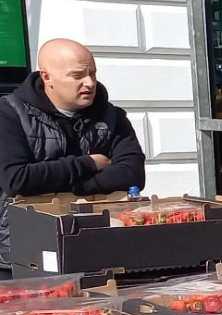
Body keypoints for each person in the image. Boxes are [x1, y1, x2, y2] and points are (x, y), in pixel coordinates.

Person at [0, 38, 146, 273]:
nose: (89, 83)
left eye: (93, 74)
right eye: (77, 76)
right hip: (24, 253)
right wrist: (89, 163)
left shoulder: (112, 117)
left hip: (100, 248)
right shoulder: (9, 114)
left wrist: (64, 187)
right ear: (47, 77)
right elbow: (16, 179)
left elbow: (133, 175)